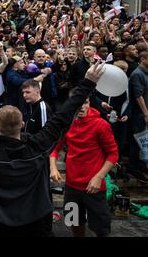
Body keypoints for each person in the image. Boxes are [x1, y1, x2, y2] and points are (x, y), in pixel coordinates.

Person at [0, 62, 106, 237]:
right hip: (37, 221)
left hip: (3, 222)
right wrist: (88, 82)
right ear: (22, 125)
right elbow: (63, 116)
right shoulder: (37, 147)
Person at [50, 97, 119, 237]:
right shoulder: (67, 124)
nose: (81, 106)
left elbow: (113, 154)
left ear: (89, 104)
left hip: (93, 187)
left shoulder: (101, 124)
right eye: (78, 103)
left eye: (85, 102)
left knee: (101, 228)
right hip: (71, 187)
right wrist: (53, 167)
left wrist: (99, 177)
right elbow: (54, 150)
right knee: (73, 221)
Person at [128, 51, 148, 183]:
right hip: (139, 115)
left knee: (144, 142)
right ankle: (134, 168)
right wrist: (146, 113)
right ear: (143, 59)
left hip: (144, 114)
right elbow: (138, 95)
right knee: (137, 142)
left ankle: (141, 167)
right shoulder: (137, 74)